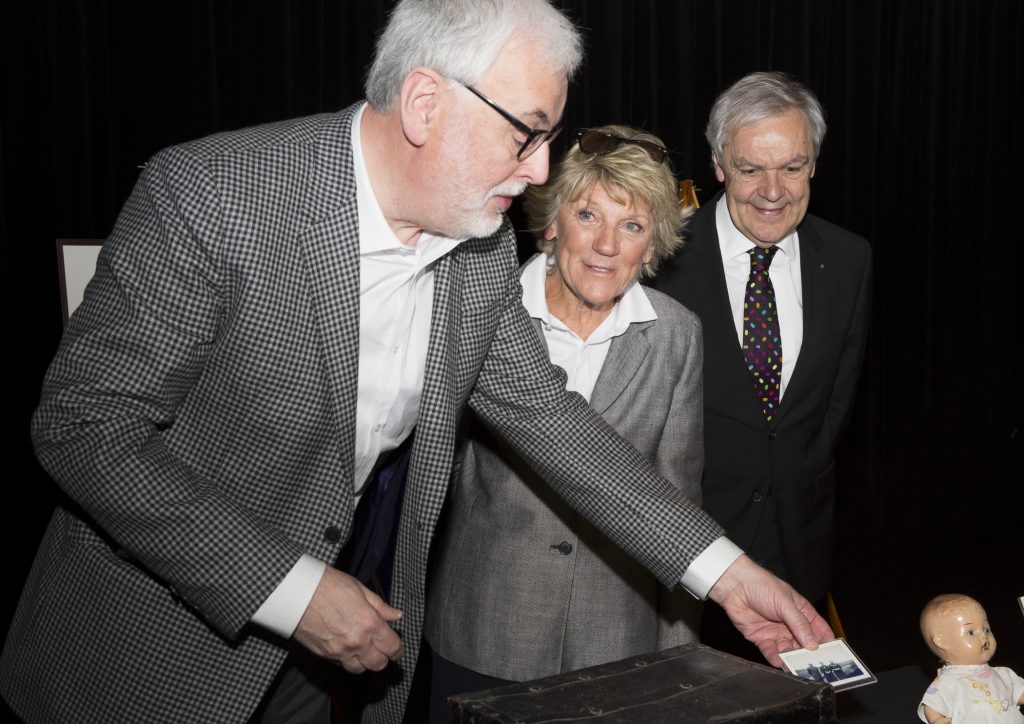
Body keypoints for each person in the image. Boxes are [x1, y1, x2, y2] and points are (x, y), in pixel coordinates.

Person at [0, 5, 832, 723]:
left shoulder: (478, 249)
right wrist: (293, 589)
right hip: (141, 654)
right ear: (427, 103)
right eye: (526, 132)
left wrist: (728, 576)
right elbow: (83, 426)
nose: (540, 169)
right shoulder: (213, 193)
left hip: (318, 668)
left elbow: (552, 421)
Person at [424, 125, 702, 720]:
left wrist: (679, 658)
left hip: (618, 642)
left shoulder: (677, 334)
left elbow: (677, 496)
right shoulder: (483, 309)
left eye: (632, 226)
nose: (606, 245)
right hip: (485, 626)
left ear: (653, 244)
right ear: (552, 221)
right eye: (587, 215)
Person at [653, 71, 872, 660]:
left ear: (814, 163)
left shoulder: (849, 259)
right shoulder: (659, 260)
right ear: (719, 165)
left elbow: (833, 408)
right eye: (751, 169)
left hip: (799, 548)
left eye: (792, 167)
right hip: (681, 563)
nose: (773, 191)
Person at [918, 594, 1024, 723]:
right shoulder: (947, 681)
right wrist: (937, 720)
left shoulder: (1003, 674)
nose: (984, 636)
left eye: (986, 630)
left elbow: (1020, 693)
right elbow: (931, 706)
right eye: (971, 632)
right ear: (941, 642)